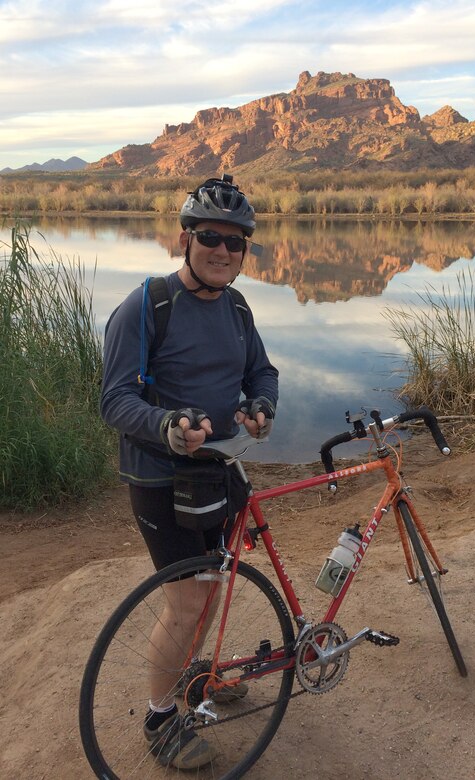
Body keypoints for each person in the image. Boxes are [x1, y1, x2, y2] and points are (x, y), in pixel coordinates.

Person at [100, 174, 278, 770]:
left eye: (235, 241)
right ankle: (159, 716)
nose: (222, 250)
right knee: (186, 603)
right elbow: (115, 401)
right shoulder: (147, 306)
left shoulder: (238, 306)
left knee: (213, 591)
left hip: (219, 471)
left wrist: (260, 405)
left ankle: (195, 675)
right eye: (210, 237)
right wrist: (168, 425)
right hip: (159, 477)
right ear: (185, 238)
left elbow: (263, 372)